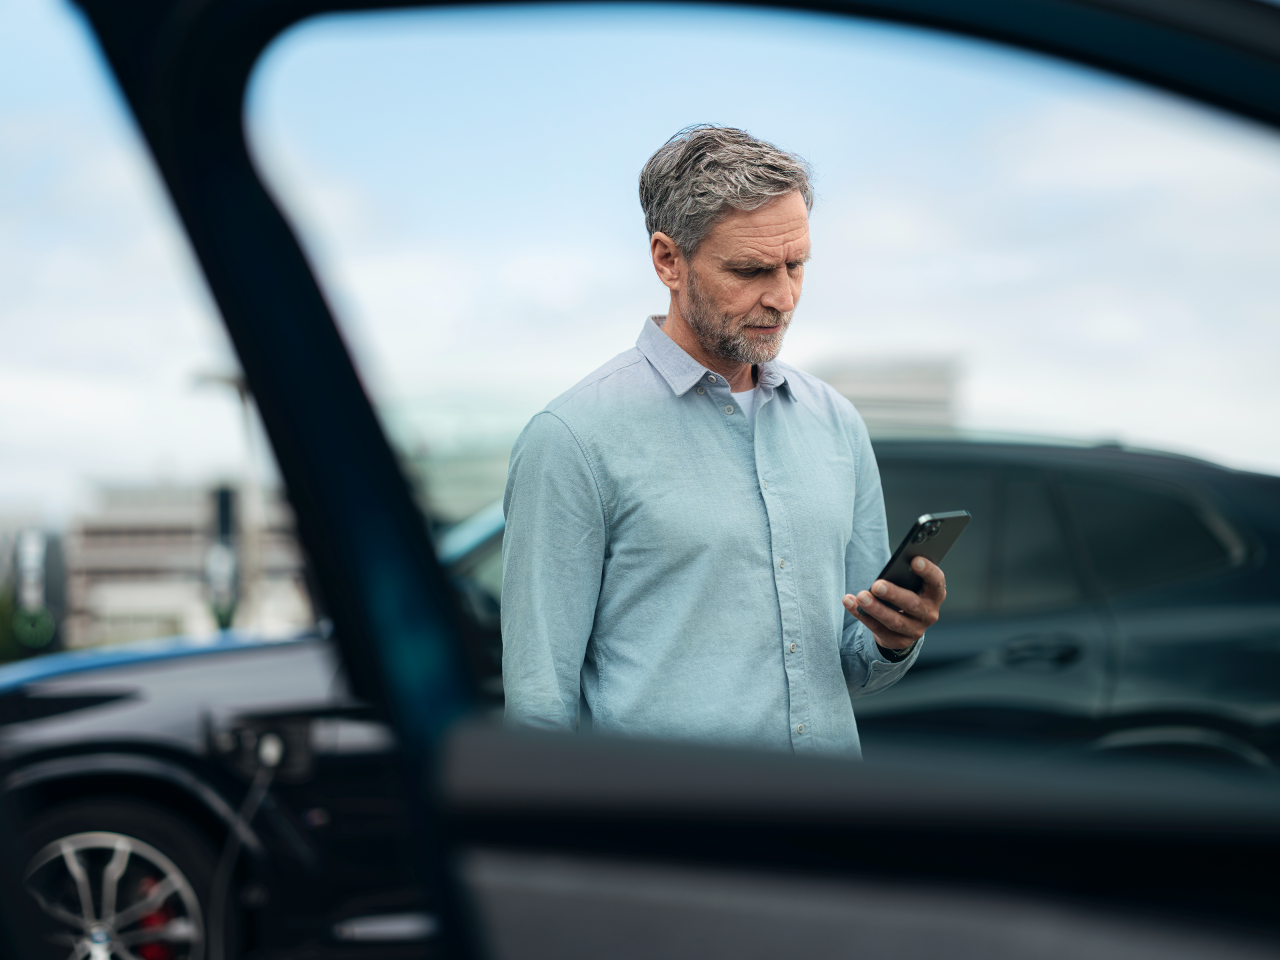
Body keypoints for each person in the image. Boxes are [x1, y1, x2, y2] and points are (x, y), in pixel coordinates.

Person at [501, 124, 946, 757]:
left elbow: (854, 665)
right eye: (750, 270)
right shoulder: (572, 439)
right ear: (667, 261)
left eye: (796, 266)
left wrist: (893, 638)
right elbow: (540, 707)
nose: (783, 296)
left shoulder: (837, 423)